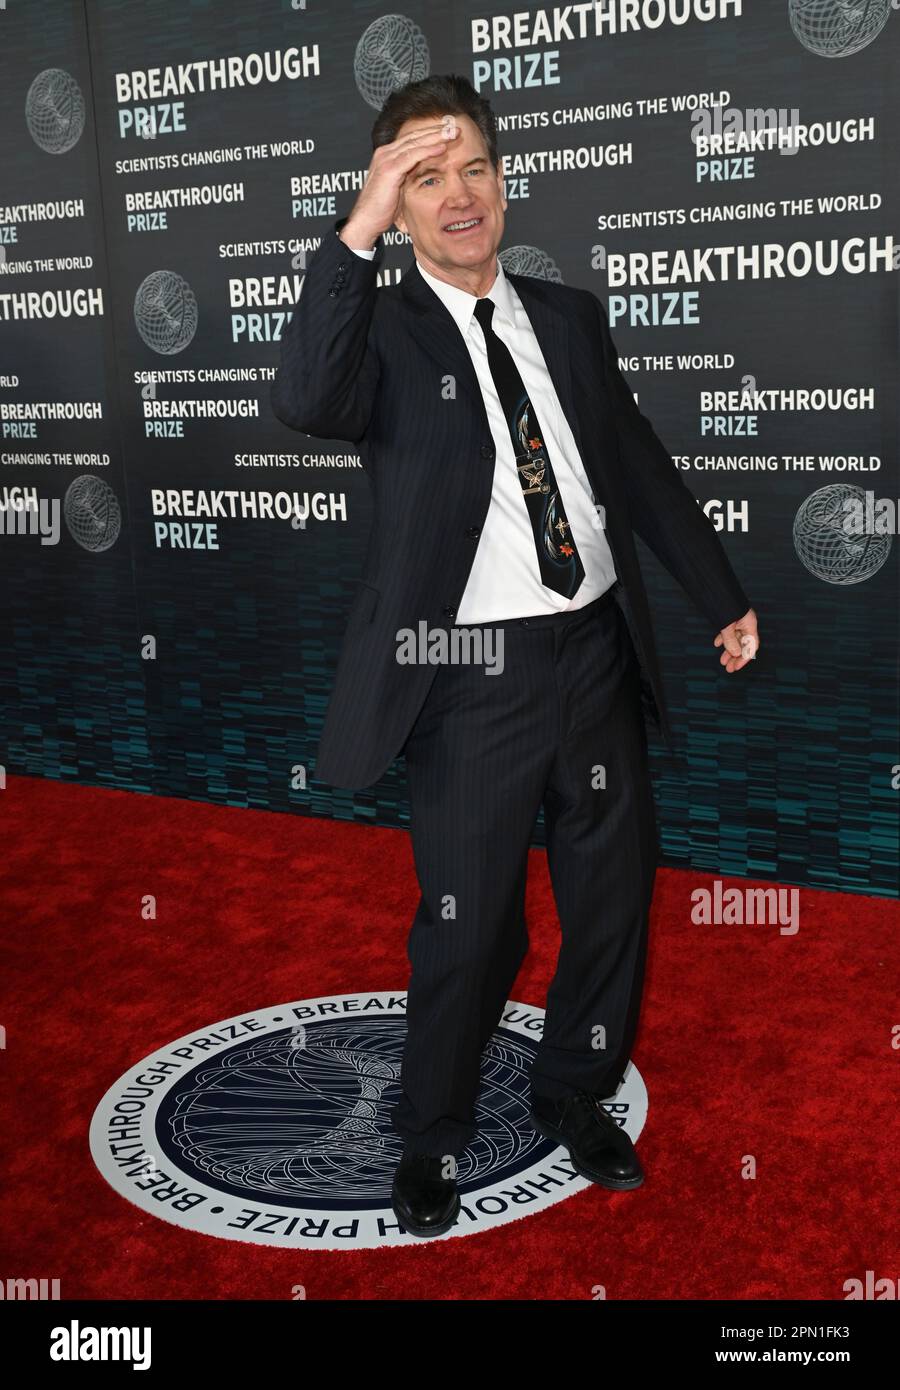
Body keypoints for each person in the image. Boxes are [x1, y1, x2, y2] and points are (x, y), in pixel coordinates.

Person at [271, 74, 759, 1239]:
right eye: (424, 177)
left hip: (594, 654)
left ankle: (580, 1090)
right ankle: (433, 1134)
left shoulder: (569, 317)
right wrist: (357, 223)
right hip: (465, 678)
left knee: (610, 901)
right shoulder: (378, 333)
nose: (459, 195)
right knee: (470, 919)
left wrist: (718, 595)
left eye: (475, 167)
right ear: (394, 201)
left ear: (505, 178)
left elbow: (635, 466)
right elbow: (303, 399)